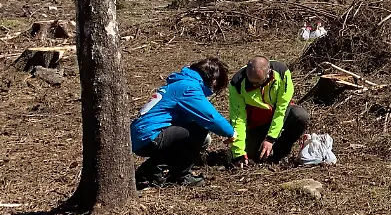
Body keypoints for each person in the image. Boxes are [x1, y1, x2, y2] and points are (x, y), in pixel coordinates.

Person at [131, 57, 233, 189]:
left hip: (139, 135)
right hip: (149, 135)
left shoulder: (179, 83)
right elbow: (210, 117)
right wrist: (231, 132)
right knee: (199, 129)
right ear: (213, 80)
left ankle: (148, 173)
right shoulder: (189, 88)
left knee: (186, 135)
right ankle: (181, 175)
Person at [228, 56, 311, 166]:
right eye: (251, 82)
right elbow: (238, 119)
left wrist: (271, 139)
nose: (254, 86)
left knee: (300, 116)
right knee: (249, 157)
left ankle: (280, 154)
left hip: (277, 114)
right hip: (255, 122)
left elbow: (282, 108)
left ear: (268, 73)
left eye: (257, 83)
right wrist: (238, 153)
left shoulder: (282, 73)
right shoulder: (237, 83)